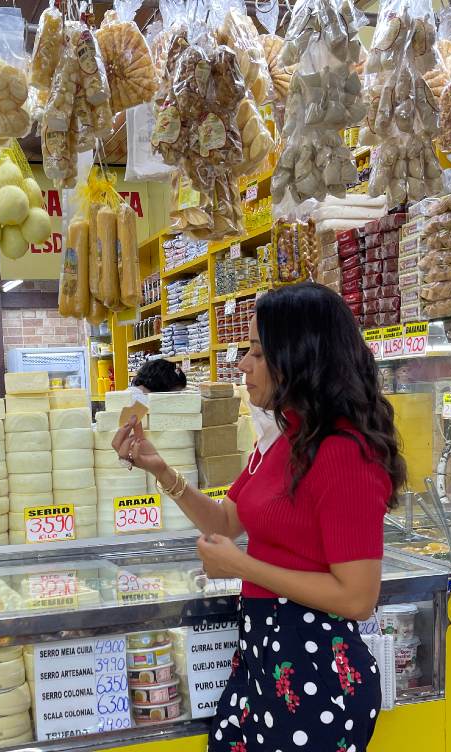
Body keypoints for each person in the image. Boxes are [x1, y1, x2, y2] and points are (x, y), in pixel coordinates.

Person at [112, 282, 405, 752]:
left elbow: (356, 597)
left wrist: (240, 566)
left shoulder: (345, 453)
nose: (243, 364)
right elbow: (227, 522)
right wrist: (161, 469)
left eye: (258, 352)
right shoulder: (285, 436)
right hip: (263, 659)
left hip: (316, 677)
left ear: (302, 359)